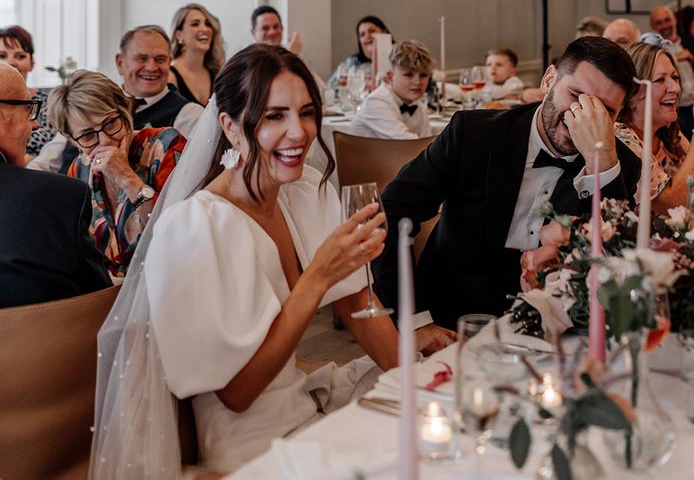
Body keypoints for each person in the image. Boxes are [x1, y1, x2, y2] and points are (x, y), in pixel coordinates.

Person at [90, 44, 398, 473]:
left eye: (306, 113)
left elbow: (356, 302)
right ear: (230, 127)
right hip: (252, 449)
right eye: (274, 116)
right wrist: (317, 278)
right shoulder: (196, 228)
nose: (299, 132)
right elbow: (237, 394)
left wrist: (414, 377)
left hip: (306, 408)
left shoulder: (302, 190)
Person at [373, 36, 642, 352]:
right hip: (450, 324)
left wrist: (601, 162)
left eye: (604, 112)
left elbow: (621, 271)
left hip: (556, 336)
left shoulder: (619, 165)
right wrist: (414, 321)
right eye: (577, 95)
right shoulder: (474, 134)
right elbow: (388, 214)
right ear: (549, 80)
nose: (581, 118)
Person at [47, 71, 186, 278]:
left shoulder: (165, 146)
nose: (105, 141)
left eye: (111, 123)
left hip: (164, 279)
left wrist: (126, 177)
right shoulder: (79, 169)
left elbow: (177, 232)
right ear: (71, 139)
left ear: (125, 110)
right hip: (105, 292)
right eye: (87, 135)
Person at [0, 63, 110, 307]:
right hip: (41, 343)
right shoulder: (60, 196)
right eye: (28, 110)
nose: (36, 124)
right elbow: (99, 301)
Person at [28, 25, 202, 173]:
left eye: (160, 59)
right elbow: (48, 160)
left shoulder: (188, 114)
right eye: (141, 59)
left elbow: (187, 176)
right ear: (120, 63)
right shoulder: (90, 100)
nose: (151, 67)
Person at [615, 41, 694, 211]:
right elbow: (674, 204)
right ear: (632, 96)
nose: (675, 88)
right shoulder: (621, 137)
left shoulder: (668, 134)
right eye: (660, 80)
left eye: (675, 77)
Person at [0, 25, 56, 162]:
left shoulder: (51, 101)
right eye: (2, 56)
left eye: (20, 56)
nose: (11, 62)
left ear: (32, 63)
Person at [648, 6, 694, 137]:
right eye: (659, 22)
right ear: (652, 26)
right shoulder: (651, 50)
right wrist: (676, 58)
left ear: (674, 20)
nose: (665, 25)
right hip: (675, 110)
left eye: (667, 20)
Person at [169, 3, 225, 106]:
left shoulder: (217, 74)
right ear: (178, 35)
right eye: (195, 24)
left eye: (208, 24)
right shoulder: (170, 76)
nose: (205, 29)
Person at [328, 15, 391, 89]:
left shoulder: (398, 59)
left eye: (372, 31)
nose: (367, 36)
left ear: (384, 32)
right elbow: (329, 87)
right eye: (362, 34)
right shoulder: (353, 62)